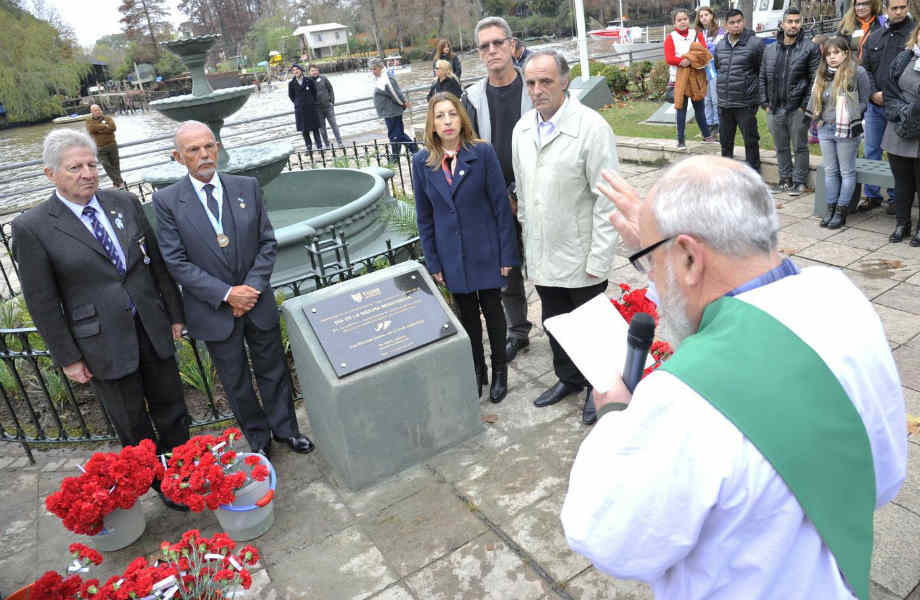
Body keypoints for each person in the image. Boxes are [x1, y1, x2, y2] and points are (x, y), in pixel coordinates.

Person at [562, 155, 906, 600]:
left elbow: (607, 536)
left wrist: (613, 413)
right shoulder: (842, 297)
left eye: (650, 260)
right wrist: (658, 252)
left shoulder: (684, 399)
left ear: (689, 256)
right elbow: (885, 475)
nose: (653, 277)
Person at [12, 129, 190, 511]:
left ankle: (184, 473)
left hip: (151, 327)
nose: (87, 173)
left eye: (91, 164)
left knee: (173, 408)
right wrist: (69, 357)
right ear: (51, 174)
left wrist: (174, 315)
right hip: (101, 342)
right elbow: (42, 301)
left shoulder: (124, 202)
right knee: (132, 423)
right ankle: (158, 483)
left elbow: (155, 266)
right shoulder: (34, 227)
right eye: (75, 167)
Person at [153, 121, 314, 459]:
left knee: (273, 369)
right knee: (236, 379)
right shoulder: (168, 202)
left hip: (256, 301)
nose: (204, 155)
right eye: (193, 150)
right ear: (178, 157)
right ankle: (258, 440)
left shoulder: (247, 187)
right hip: (214, 309)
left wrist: (250, 290)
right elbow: (176, 261)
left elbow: (267, 243)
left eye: (209, 146)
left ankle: (287, 430)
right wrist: (228, 294)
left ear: (218, 147)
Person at [512, 51, 619, 425]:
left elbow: (608, 201)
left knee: (591, 328)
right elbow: (524, 194)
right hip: (544, 252)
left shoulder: (592, 128)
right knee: (555, 322)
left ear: (564, 81)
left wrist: (599, 259)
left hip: (582, 253)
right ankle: (569, 379)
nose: (537, 90)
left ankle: (600, 387)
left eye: (546, 82)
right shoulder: (522, 129)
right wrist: (528, 242)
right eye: (530, 83)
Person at [413, 92, 520, 402]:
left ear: (462, 118)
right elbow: (425, 217)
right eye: (440, 116)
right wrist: (433, 264)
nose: (447, 121)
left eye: (452, 114)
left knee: (493, 311)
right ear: (431, 124)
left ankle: (500, 370)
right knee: (468, 317)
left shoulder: (481, 153)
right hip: (451, 257)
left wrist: (506, 253)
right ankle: (478, 371)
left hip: (486, 251)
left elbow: (501, 207)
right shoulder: (422, 163)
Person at [462, 16, 534, 364]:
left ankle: (563, 332)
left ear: (511, 44)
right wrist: (502, 197)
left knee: (547, 268)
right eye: (484, 46)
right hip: (497, 202)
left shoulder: (534, 86)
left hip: (536, 194)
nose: (492, 51)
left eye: (497, 43)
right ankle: (517, 330)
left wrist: (523, 194)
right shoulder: (472, 97)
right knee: (507, 271)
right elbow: (470, 151)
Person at [806, 36, 871, 229]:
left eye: (836, 53)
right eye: (828, 54)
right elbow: (816, 99)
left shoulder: (857, 72)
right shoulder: (822, 74)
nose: (832, 57)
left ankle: (842, 211)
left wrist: (849, 115)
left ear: (845, 53)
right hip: (825, 127)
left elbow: (864, 102)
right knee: (831, 171)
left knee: (846, 171)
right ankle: (830, 208)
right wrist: (817, 117)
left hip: (847, 129)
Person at [760, 7, 820, 196]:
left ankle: (799, 181)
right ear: (782, 24)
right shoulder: (770, 49)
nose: (794, 25)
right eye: (790, 21)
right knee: (781, 146)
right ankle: (785, 179)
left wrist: (805, 106)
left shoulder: (810, 48)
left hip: (797, 108)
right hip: (775, 107)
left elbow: (815, 80)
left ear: (801, 23)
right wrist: (765, 102)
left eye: (797, 21)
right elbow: (762, 77)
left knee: (800, 146)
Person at [861, 0, 912, 214]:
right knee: (872, 150)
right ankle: (872, 195)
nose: (899, 12)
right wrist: (873, 92)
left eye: (903, 7)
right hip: (876, 106)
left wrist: (894, 98)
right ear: (885, 10)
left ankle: (895, 198)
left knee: (896, 155)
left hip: (900, 108)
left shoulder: (914, 36)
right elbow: (866, 69)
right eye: (894, 8)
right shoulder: (875, 36)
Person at [882, 22, 920, 244]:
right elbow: (889, 89)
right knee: (902, 182)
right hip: (898, 129)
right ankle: (902, 223)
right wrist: (903, 111)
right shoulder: (904, 58)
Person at [713, 9, 765, 171]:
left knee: (750, 141)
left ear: (743, 22)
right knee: (725, 143)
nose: (736, 25)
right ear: (726, 25)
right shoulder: (720, 45)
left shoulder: (755, 44)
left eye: (739, 21)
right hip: (725, 103)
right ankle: (726, 176)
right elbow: (718, 67)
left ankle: (754, 176)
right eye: (732, 23)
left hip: (746, 102)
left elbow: (761, 70)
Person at [664, 8, 715, 149]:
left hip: (696, 77)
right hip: (678, 79)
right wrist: (682, 61)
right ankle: (680, 139)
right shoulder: (671, 37)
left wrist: (689, 59)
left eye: (685, 19)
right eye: (679, 20)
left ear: (689, 20)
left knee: (700, 109)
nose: (682, 22)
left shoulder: (696, 34)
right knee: (681, 109)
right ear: (674, 22)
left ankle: (707, 136)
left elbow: (703, 52)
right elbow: (669, 58)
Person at [370, 57, 418, 160]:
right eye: (371, 69)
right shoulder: (381, 77)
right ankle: (412, 150)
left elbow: (395, 94)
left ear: (380, 67)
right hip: (388, 111)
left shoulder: (386, 78)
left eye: (374, 69)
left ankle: (397, 157)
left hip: (392, 111)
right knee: (398, 134)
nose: (372, 72)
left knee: (394, 135)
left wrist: (403, 103)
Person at [695, 6, 724, 137]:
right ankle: (709, 124)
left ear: (712, 15)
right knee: (706, 99)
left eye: (706, 14)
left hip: (714, 68)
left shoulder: (719, 31)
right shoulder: (698, 33)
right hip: (702, 69)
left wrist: (705, 50)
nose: (704, 18)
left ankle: (718, 125)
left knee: (715, 98)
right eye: (701, 16)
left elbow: (716, 49)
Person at [85, 104, 124, 187]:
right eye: (95, 110)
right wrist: (105, 126)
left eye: (99, 109)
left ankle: (117, 184)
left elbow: (113, 127)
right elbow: (91, 129)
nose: (98, 111)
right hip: (100, 148)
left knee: (115, 165)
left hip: (112, 145)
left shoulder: (108, 118)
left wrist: (99, 130)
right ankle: (120, 182)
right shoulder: (89, 121)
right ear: (92, 112)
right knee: (106, 165)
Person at [288, 64, 323, 152]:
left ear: (301, 70)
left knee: (315, 129)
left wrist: (311, 101)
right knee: (304, 131)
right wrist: (298, 103)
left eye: (297, 69)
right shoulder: (291, 83)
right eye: (294, 70)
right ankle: (309, 148)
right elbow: (291, 96)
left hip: (311, 108)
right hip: (300, 110)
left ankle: (320, 147)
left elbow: (314, 92)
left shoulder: (309, 80)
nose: (296, 71)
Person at [310, 64, 344, 148]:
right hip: (317, 109)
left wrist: (332, 101)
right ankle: (327, 145)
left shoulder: (323, 78)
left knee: (334, 125)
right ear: (309, 72)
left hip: (328, 107)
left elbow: (330, 89)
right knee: (322, 129)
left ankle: (340, 143)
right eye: (312, 71)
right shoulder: (309, 81)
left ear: (318, 70)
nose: (314, 72)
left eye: (315, 70)